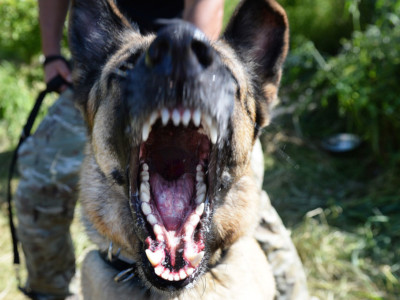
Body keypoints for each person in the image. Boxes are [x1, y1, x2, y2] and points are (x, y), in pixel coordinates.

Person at [15, 1, 224, 299]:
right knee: (40, 181)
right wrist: (51, 55)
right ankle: (49, 292)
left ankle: (289, 289)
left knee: (237, 188)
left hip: (190, 72)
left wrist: (186, 70)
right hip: (114, 75)